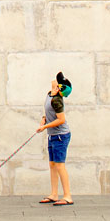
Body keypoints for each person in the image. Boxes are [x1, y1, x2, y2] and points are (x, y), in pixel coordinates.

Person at [36, 71, 73, 206]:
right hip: (52, 135)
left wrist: (45, 127)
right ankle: (54, 194)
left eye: (58, 82)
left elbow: (61, 120)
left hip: (60, 136)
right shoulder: (49, 94)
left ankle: (68, 196)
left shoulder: (57, 100)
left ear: (59, 88)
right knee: (52, 165)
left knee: (59, 165)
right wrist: (43, 120)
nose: (54, 80)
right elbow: (47, 112)